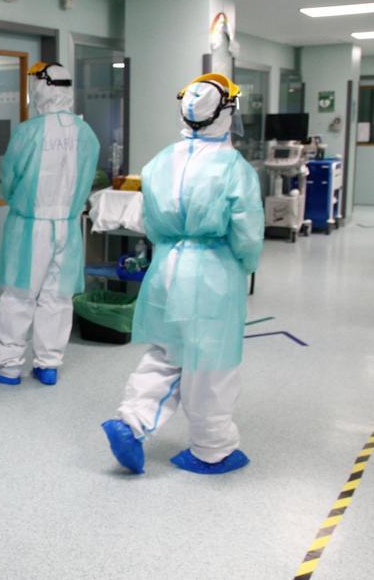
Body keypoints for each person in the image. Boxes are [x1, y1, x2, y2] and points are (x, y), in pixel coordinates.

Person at [101, 73, 263, 475]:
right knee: (211, 361)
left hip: (167, 267)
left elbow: (153, 226)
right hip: (212, 271)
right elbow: (246, 234)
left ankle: (131, 422)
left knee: (165, 352)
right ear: (225, 113)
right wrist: (247, 263)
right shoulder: (233, 167)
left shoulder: (159, 163)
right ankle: (212, 449)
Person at [0, 63, 100, 387]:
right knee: (57, 297)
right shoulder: (86, 133)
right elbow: (87, 178)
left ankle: (7, 366)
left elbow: (10, 180)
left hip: (31, 226)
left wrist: (24, 203)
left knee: (18, 295)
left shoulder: (29, 132)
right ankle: (48, 364)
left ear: (40, 88)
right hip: (69, 226)